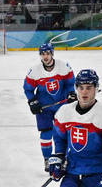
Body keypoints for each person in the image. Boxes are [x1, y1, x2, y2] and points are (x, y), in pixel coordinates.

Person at [23, 42, 75, 171]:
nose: (45, 57)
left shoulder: (64, 66)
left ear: (52, 53)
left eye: (47, 53)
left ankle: (63, 158)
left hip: (62, 106)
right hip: (44, 107)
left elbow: (70, 83)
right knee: (46, 133)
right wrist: (32, 101)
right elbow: (28, 89)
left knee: (64, 133)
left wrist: (70, 94)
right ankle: (47, 159)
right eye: (42, 54)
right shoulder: (34, 71)